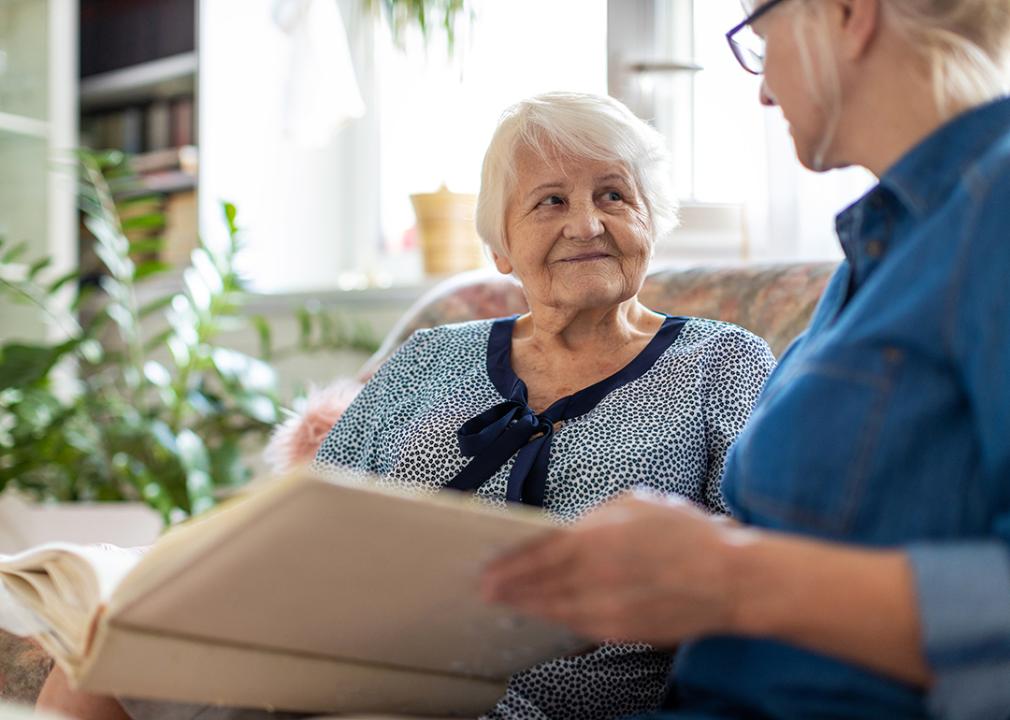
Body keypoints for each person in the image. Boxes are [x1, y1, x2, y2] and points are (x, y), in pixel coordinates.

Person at [37, 92, 776, 720]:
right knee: (95, 662)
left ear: (652, 219)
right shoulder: (431, 356)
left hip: (547, 699)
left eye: (613, 195)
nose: (586, 223)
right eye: (551, 201)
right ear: (501, 247)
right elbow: (305, 521)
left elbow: (750, 566)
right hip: (349, 657)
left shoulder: (722, 360)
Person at [481, 2, 1010, 719]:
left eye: (761, 40)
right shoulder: (881, 248)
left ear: (848, 15)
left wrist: (729, 576)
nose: (763, 90)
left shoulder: (994, 212)